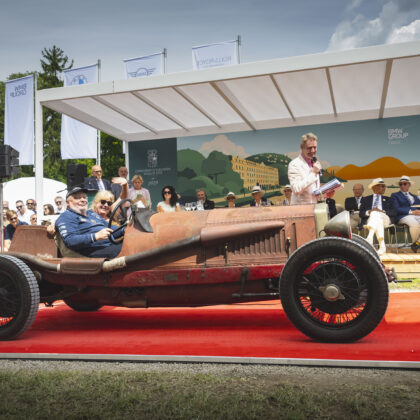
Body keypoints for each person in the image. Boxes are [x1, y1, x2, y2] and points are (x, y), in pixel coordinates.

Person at [55, 187, 125, 258]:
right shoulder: (66, 216)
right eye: (77, 198)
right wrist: (95, 236)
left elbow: (111, 229)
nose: (82, 200)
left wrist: (125, 229)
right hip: (94, 250)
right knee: (129, 249)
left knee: (133, 241)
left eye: (84, 197)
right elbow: (70, 240)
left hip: (110, 245)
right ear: (67, 203)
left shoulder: (91, 214)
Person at [359, 178, 396, 255]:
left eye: (384, 186)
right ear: (374, 188)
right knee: (375, 214)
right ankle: (382, 245)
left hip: (385, 219)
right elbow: (361, 213)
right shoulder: (366, 199)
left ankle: (370, 238)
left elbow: (394, 212)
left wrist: (382, 211)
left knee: (376, 213)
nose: (384, 188)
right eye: (381, 186)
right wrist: (369, 211)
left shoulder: (389, 199)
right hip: (371, 219)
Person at [288, 132, 322, 205]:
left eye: (315, 147)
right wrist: (313, 173)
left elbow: (313, 191)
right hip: (300, 210)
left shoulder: (314, 163)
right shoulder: (294, 164)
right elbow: (296, 189)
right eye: (309, 148)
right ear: (301, 147)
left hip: (315, 208)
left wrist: (325, 194)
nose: (313, 151)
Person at [391, 175, 420, 253]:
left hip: (415, 215)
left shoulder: (415, 197)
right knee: (414, 224)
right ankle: (416, 243)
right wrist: (411, 211)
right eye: (400, 184)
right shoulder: (395, 195)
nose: (402, 186)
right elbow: (396, 209)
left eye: (404, 184)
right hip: (402, 216)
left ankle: (416, 243)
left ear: (409, 185)